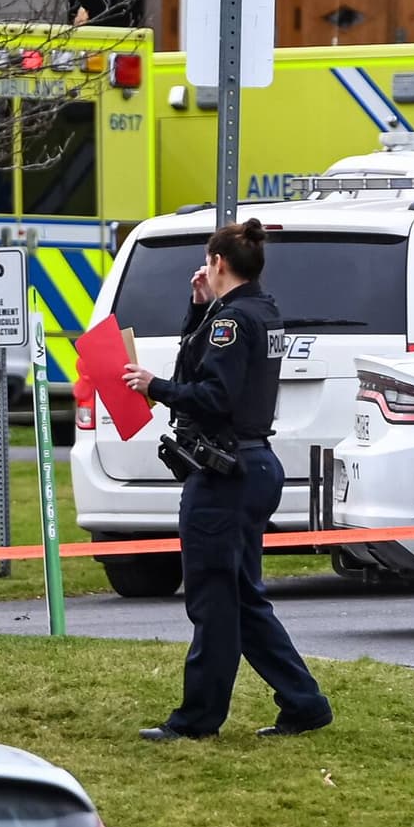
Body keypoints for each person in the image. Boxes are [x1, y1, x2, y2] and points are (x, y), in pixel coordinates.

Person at [137, 219, 329, 742]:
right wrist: (199, 308)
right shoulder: (258, 311)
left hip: (225, 475)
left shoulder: (234, 322)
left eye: (208, 261)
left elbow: (213, 395)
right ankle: (305, 703)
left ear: (218, 262)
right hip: (251, 466)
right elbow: (205, 367)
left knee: (214, 602)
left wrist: (155, 387)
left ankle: (197, 720)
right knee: (243, 600)